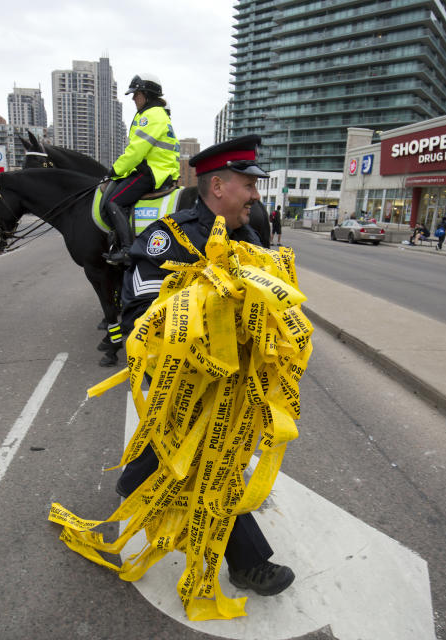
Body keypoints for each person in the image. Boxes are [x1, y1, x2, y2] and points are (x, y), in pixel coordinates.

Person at [116, 135, 294, 597]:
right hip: (184, 386)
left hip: (231, 387)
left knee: (202, 460)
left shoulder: (247, 236)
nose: (256, 195)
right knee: (208, 465)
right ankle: (249, 563)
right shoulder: (168, 238)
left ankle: (139, 476)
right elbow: (138, 315)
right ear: (217, 186)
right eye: (249, 184)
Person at [103, 73, 180, 264]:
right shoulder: (157, 115)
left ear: (147, 93)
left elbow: (136, 151)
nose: (133, 98)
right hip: (160, 170)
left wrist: (115, 170)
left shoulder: (151, 115)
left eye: (136, 94)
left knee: (113, 202)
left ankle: (128, 250)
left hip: (152, 172)